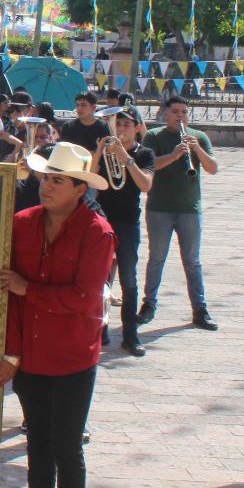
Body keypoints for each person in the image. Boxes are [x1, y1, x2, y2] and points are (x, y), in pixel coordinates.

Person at [0, 142, 115, 488]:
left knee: (68, 450)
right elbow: (7, 293)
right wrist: (12, 354)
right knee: (38, 446)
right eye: (45, 177)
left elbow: (86, 298)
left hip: (72, 358)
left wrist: (30, 291)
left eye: (57, 180)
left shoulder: (97, 232)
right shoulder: (23, 224)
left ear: (80, 189)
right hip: (32, 357)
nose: (46, 185)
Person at [140, 95, 220, 331]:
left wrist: (196, 149)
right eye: (175, 111)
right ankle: (149, 305)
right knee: (156, 258)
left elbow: (213, 169)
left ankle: (200, 309)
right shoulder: (153, 136)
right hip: (159, 208)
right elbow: (149, 164)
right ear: (165, 114)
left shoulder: (199, 137)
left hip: (189, 209)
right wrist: (174, 155)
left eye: (184, 112)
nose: (180, 116)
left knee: (192, 261)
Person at [93, 106, 156, 357]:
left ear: (137, 128)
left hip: (128, 223)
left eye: (126, 125)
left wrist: (127, 159)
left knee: (128, 281)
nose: (119, 129)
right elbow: (90, 180)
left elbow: (145, 185)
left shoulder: (145, 154)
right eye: (117, 124)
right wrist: (99, 153)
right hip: (103, 220)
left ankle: (130, 334)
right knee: (101, 280)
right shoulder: (106, 151)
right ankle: (100, 329)